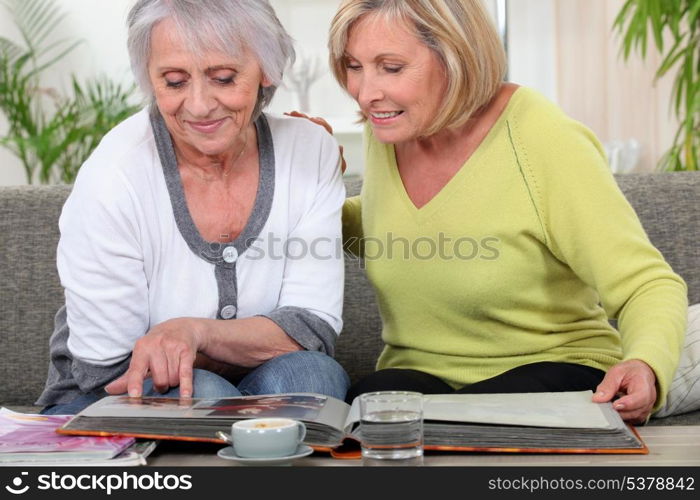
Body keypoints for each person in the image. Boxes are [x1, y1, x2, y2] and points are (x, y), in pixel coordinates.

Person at [319, 0, 687, 423]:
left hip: (550, 369)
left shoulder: (541, 137)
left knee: (479, 415)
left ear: (455, 56)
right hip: (420, 377)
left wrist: (645, 363)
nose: (366, 93)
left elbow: (647, 283)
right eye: (354, 66)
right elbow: (400, 225)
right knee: (366, 407)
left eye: (391, 67)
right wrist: (294, 193)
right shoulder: (390, 124)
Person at [36, 0, 349, 415]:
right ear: (150, 79)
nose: (199, 106)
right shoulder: (114, 174)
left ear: (267, 70)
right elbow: (106, 370)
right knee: (201, 390)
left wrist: (193, 334)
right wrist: (242, 347)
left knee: (312, 375)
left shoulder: (309, 151)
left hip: (258, 381)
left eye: (223, 78)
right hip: (99, 402)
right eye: (174, 81)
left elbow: (312, 330)